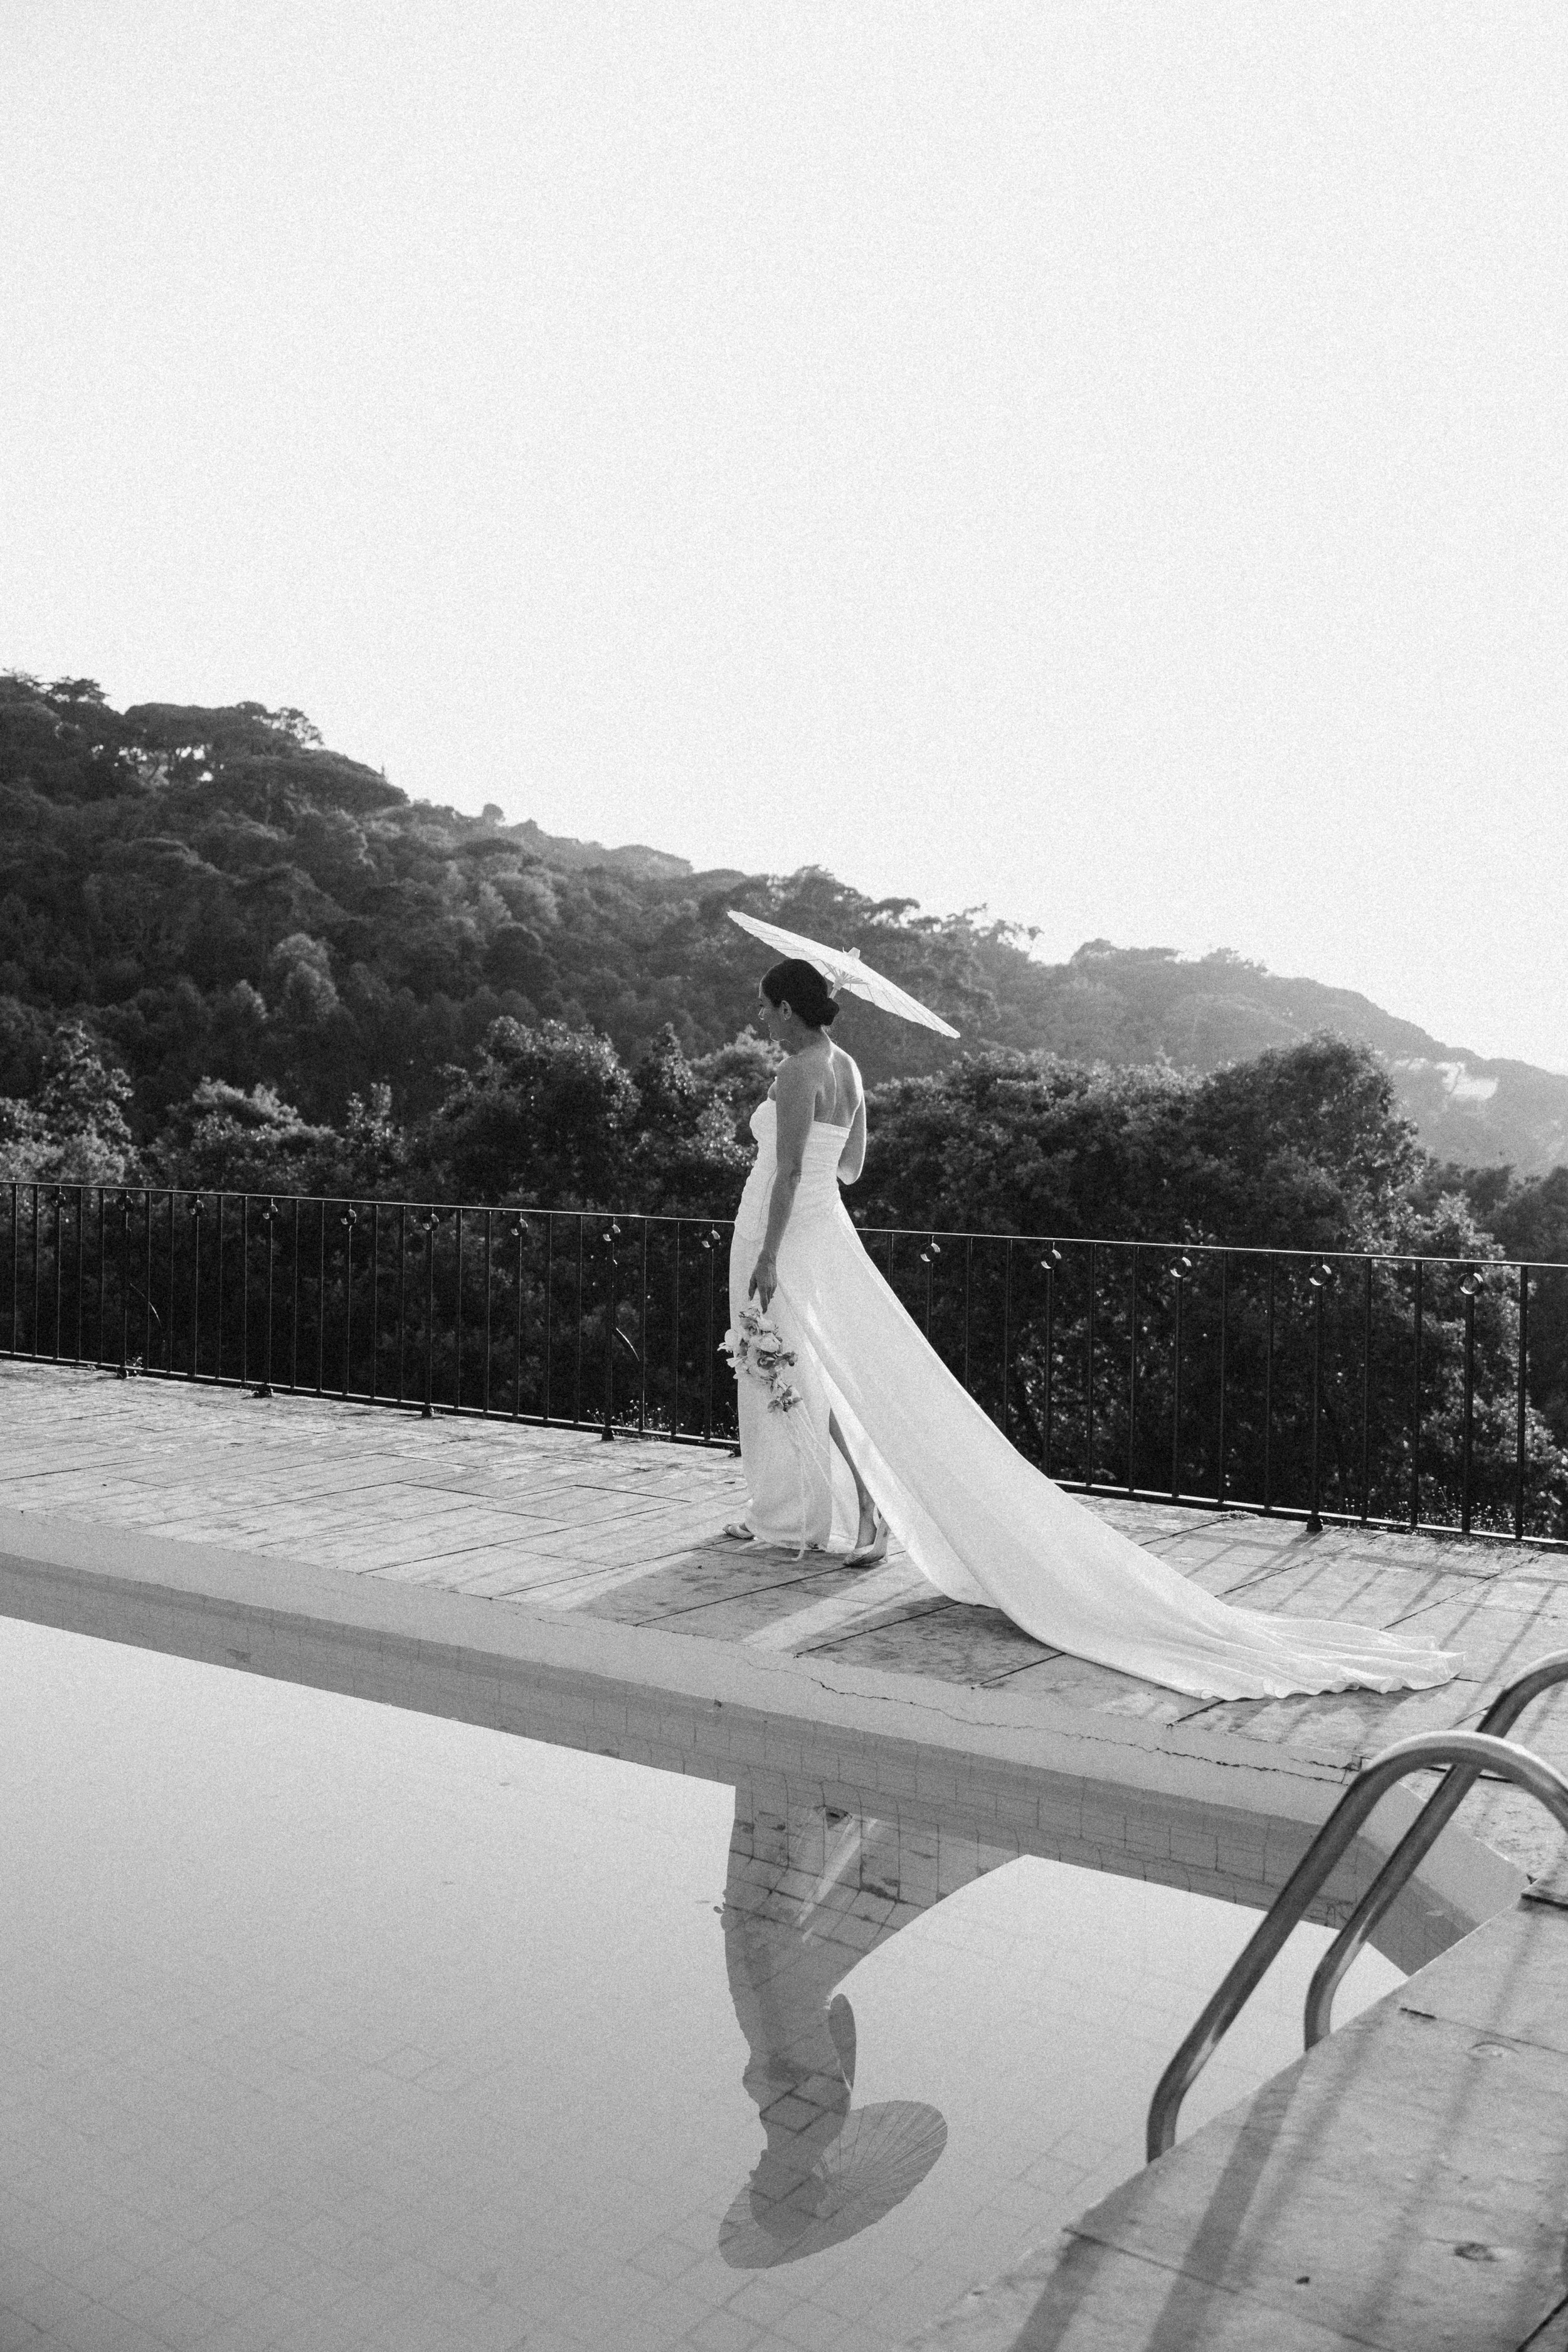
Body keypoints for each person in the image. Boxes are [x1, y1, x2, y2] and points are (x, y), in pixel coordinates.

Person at [722, 956, 1458, 1703]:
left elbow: (784, 1174)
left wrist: (772, 1255)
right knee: (832, 1370)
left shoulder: (795, 1072)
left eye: (766, 1009)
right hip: (828, 1228)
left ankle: (814, 1515)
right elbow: (848, 1169)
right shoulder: (846, 1067)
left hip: (783, 1234)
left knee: (802, 1367)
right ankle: (858, 1514)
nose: (761, 1021)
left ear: (788, 1009)